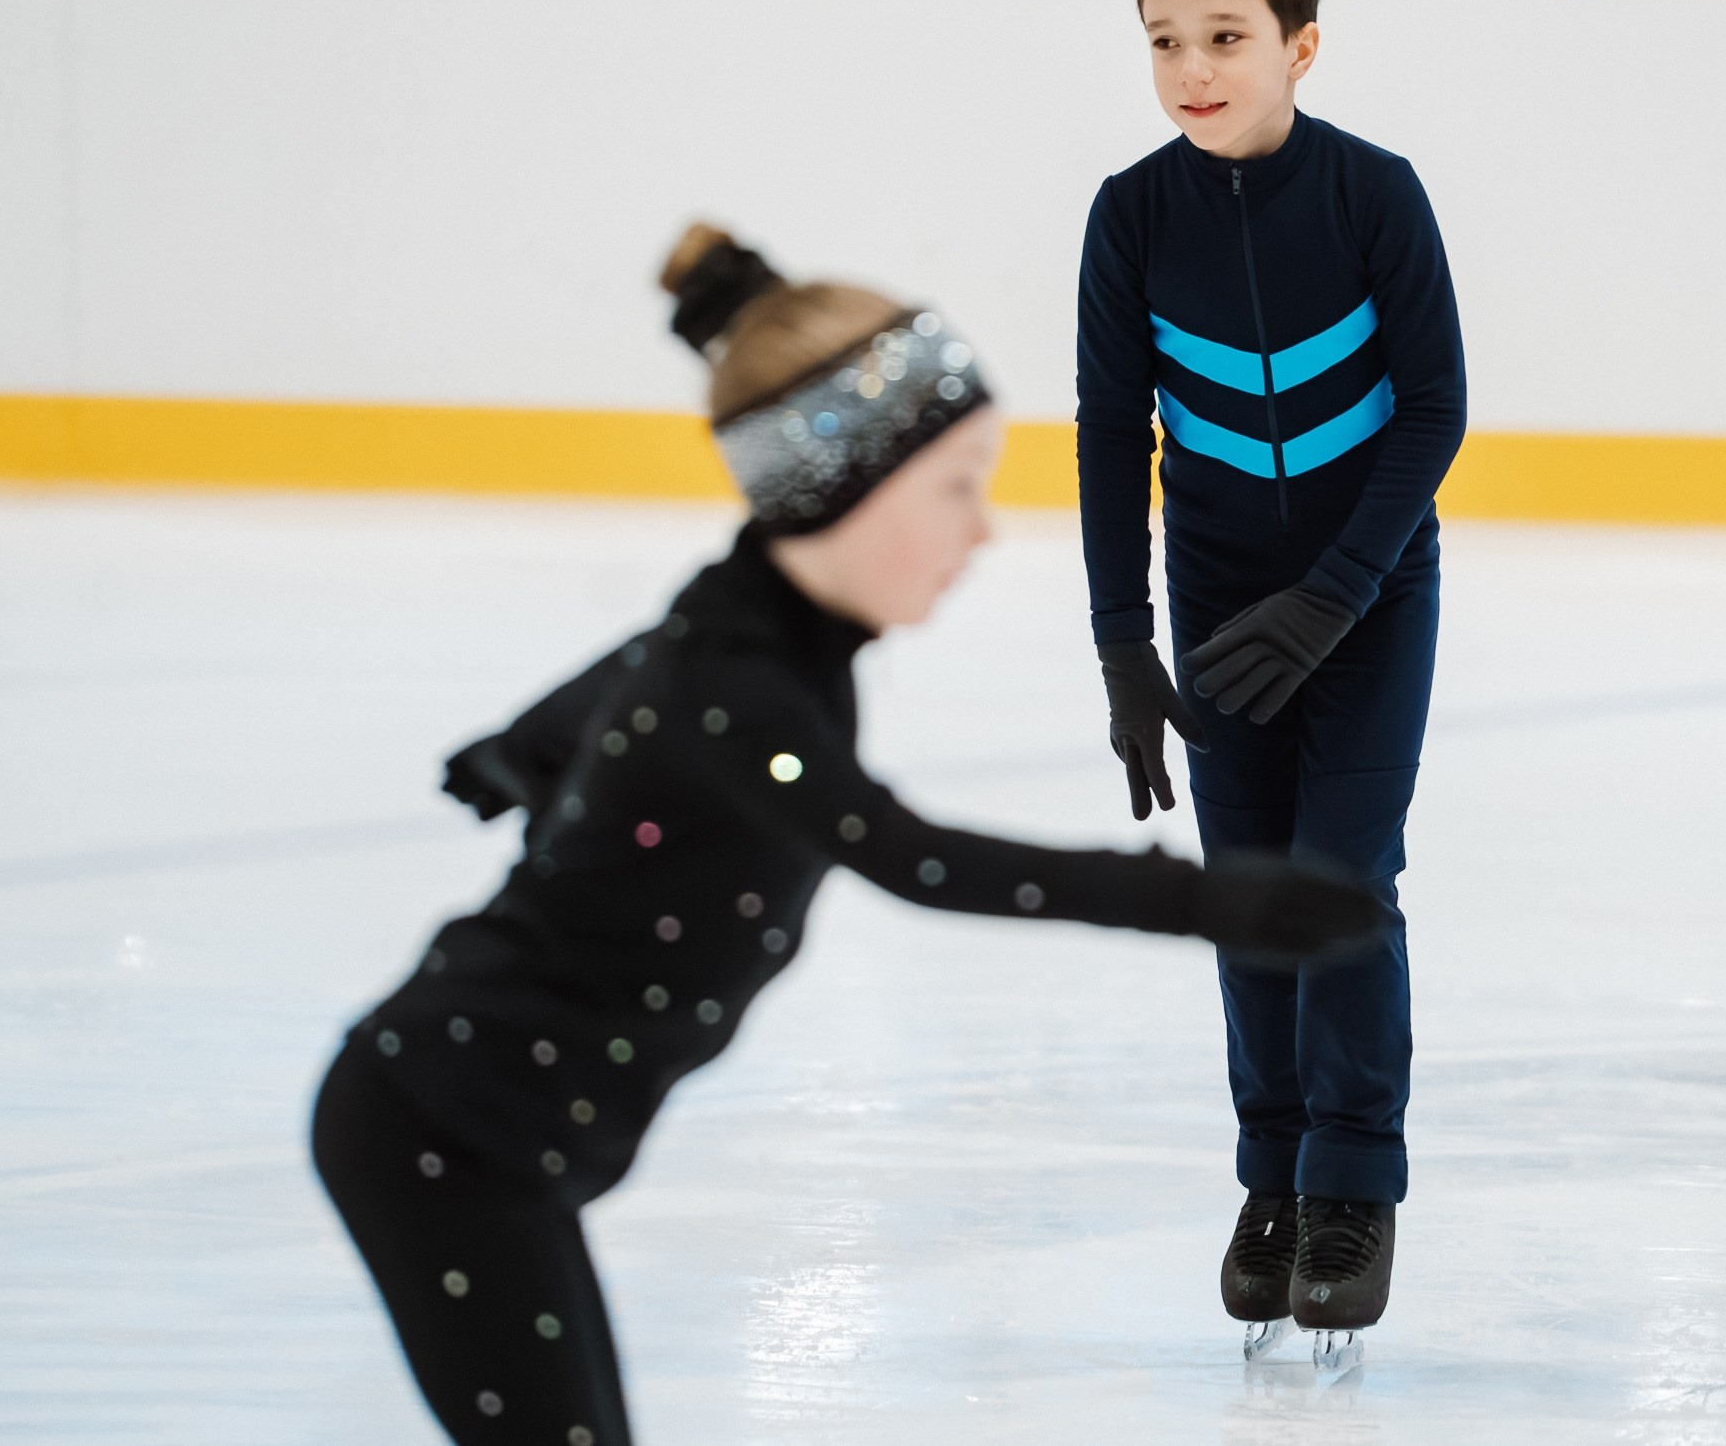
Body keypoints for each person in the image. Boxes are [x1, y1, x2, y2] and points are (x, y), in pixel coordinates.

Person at [311, 222, 1383, 1446]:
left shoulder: (753, 638)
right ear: (837, 490)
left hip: (492, 1134)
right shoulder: (749, 694)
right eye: (953, 487)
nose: (980, 533)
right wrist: (1201, 901)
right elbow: (910, 856)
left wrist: (526, 744)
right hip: (445, 1134)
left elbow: (638, 666)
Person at [1073, 0, 1467, 1362]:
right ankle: (1273, 1174)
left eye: (1226, 37)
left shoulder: (1374, 195)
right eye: (1165, 40)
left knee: (1339, 876)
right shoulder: (1132, 214)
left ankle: (1353, 1183)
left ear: (1300, 46)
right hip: (1225, 599)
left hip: (1367, 593)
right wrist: (1125, 642)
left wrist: (1338, 589)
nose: (1192, 65)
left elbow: (1432, 407)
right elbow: (1114, 431)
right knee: (1247, 891)